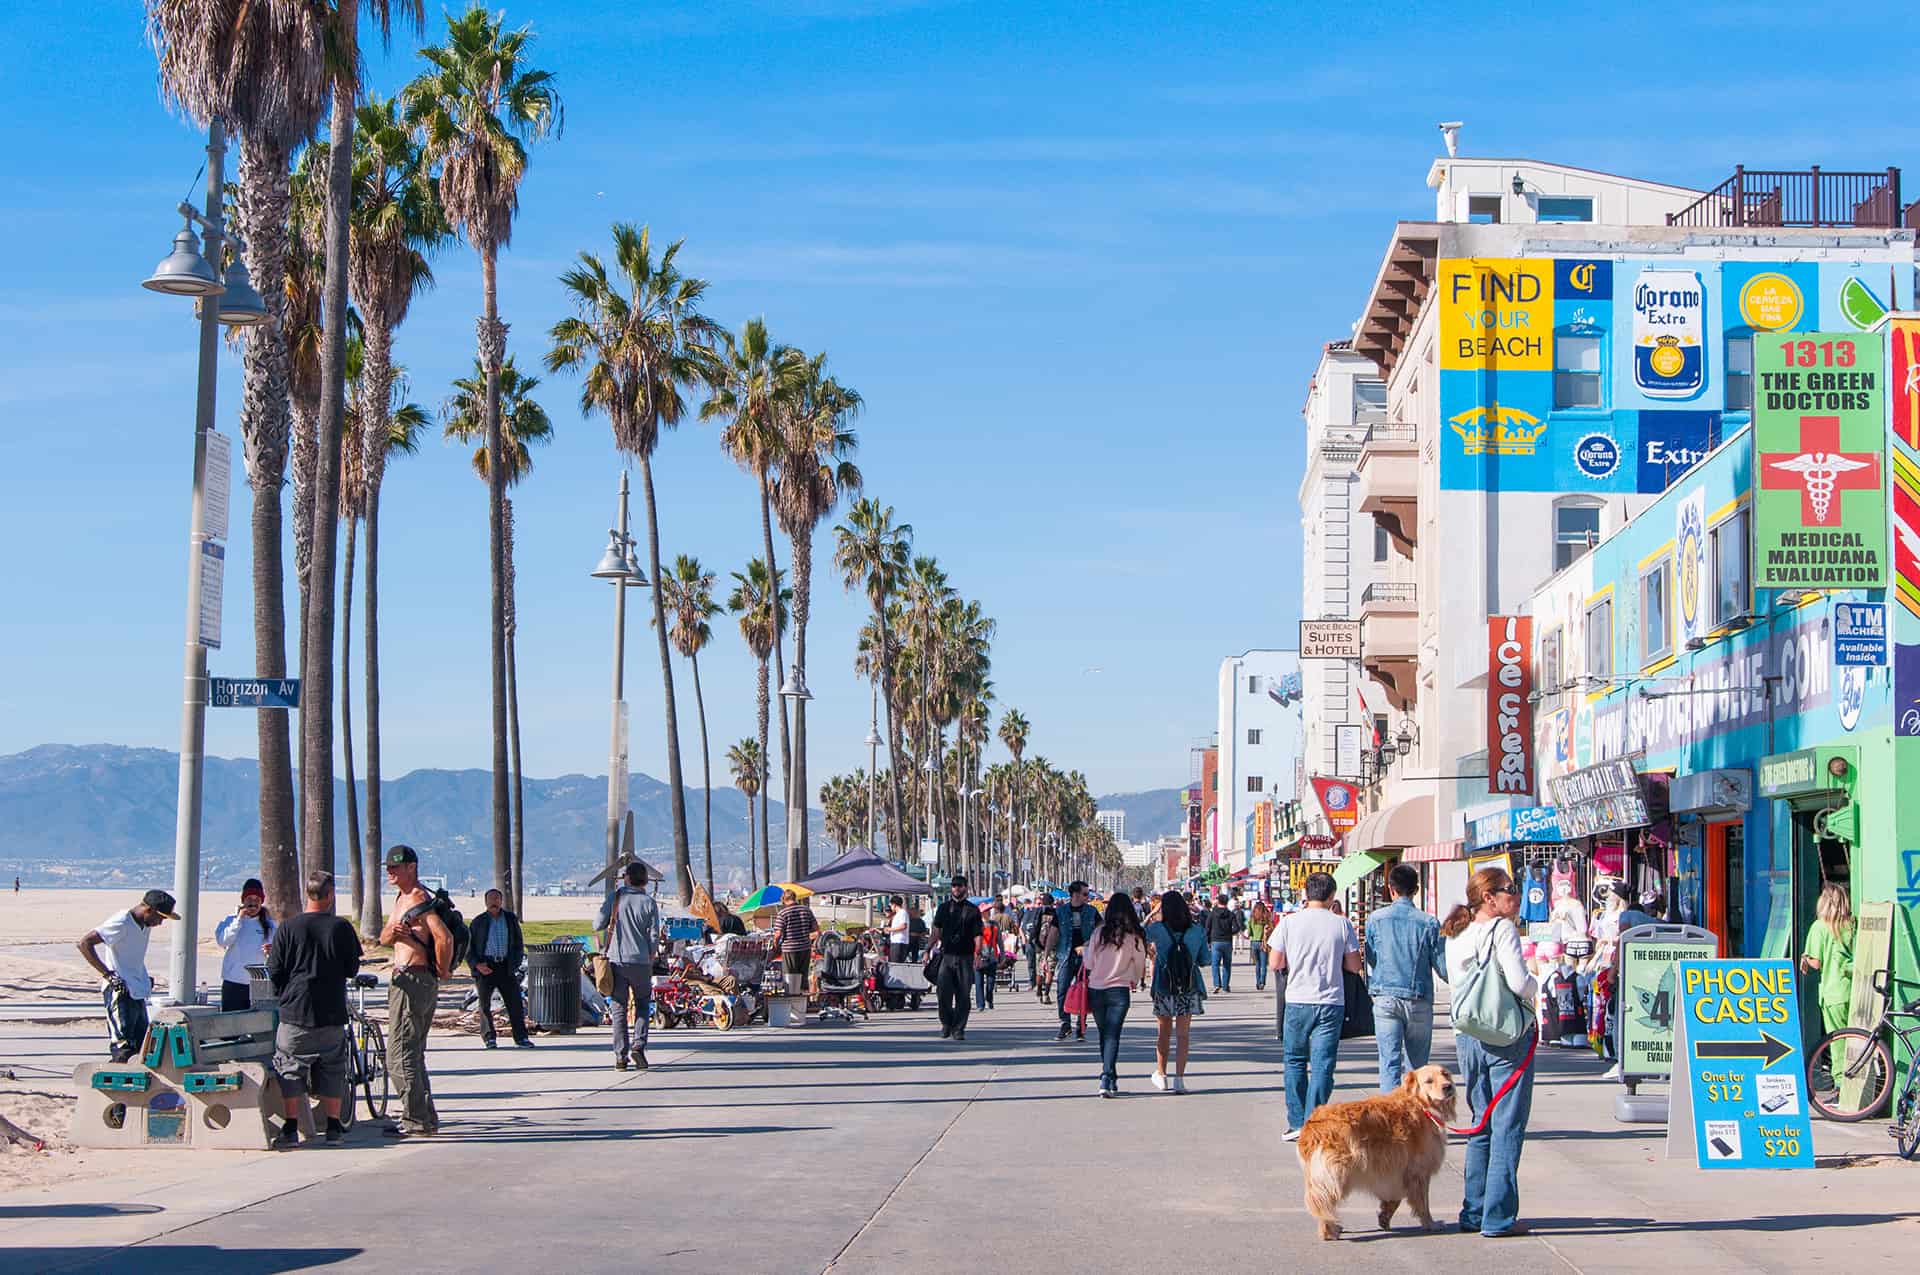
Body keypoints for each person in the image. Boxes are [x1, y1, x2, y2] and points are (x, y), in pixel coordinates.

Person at [1443, 866, 1537, 1238]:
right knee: (1507, 1124)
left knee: (1481, 1121)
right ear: (1489, 897)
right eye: (1509, 889)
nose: (1515, 895)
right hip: (1506, 1034)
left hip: (1468, 1032)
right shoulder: (1503, 930)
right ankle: (1498, 1216)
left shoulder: (1455, 929)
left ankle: (1474, 1210)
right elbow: (1518, 982)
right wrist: (1535, 985)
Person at [266, 871, 362, 1147]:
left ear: (307, 894)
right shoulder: (341, 928)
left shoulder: (288, 927)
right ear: (330, 895)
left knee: (290, 1067)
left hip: (295, 1010)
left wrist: (286, 991)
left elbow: (274, 969)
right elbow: (351, 968)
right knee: (333, 1067)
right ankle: (333, 1127)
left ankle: (291, 1126)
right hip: (331, 1009)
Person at [1269, 870, 1360, 1140]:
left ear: (1305, 895)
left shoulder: (1288, 923)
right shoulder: (1341, 924)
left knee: (1295, 1060)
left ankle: (1297, 1123)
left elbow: (1275, 963)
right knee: (1323, 1064)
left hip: (1297, 1000)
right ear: (1332, 896)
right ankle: (1315, 1121)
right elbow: (1354, 966)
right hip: (1331, 1002)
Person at [377, 846, 452, 1137]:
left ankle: (416, 1120)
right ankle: (424, 1117)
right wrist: (393, 933)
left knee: (399, 1053)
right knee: (412, 1052)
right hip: (404, 979)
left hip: (415, 980)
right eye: (388, 867)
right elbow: (383, 937)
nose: (391, 872)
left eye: (396, 867)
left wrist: (443, 970)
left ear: (412, 867)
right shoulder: (401, 898)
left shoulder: (420, 899)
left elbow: (443, 937)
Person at [1364, 863, 1448, 1091]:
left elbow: (1371, 957)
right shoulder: (1428, 922)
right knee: (1419, 1068)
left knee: (1389, 1062)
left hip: (1385, 997)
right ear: (1416, 889)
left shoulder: (1376, 919)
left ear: (1391, 889)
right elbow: (1441, 964)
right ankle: (1416, 1117)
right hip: (1418, 999)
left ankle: (1389, 1119)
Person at [78, 889, 177, 1063]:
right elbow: (84, 944)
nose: (160, 923)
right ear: (149, 910)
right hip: (120, 991)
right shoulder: (122, 921)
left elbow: (132, 955)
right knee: (123, 1047)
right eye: (160, 918)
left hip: (137, 990)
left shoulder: (145, 925)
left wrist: (144, 979)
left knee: (143, 1047)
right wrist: (108, 975)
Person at [1081, 892, 1148, 1096]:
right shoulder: (1133, 936)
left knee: (1105, 1034)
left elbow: (1089, 963)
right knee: (1112, 1034)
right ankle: (1108, 1076)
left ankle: (1108, 1075)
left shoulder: (1098, 933)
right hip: (1119, 989)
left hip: (1097, 988)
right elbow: (1139, 963)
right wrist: (1134, 981)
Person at [599, 862, 663, 1068]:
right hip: (641, 961)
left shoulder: (616, 898)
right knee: (643, 1004)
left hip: (617, 960)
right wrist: (650, 955)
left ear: (626, 877)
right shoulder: (649, 902)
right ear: (644, 880)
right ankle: (639, 1045)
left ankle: (620, 1055)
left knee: (619, 1008)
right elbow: (654, 934)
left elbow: (596, 924)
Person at [1145, 890, 1208, 1092]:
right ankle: (1179, 1079)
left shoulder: (1157, 929)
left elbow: (1139, 933)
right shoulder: (1197, 931)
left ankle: (1161, 1074)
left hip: (1164, 984)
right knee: (1183, 1034)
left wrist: (1150, 915)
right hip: (1189, 985)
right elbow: (1205, 960)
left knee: (1163, 1032)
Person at [469, 889, 533, 1050]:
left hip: (506, 967)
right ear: (485, 902)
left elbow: (518, 944)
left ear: (501, 900)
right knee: (484, 1005)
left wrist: (515, 964)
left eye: (497, 899)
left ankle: (521, 1038)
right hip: (486, 966)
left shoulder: (510, 919)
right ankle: (489, 1038)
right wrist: (477, 965)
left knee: (515, 1004)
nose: (494, 902)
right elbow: (468, 948)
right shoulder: (478, 922)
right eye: (490, 899)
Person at [931, 875, 984, 1040]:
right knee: (943, 993)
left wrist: (978, 954)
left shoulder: (973, 910)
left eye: (960, 886)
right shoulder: (944, 908)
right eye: (954, 886)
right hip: (946, 955)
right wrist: (928, 949)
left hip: (965, 957)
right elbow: (936, 931)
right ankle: (946, 1023)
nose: (956, 888)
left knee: (963, 994)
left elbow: (978, 935)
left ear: (965, 888)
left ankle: (959, 1028)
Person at [1800, 882, 1856, 1034]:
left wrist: (1805, 958)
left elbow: (1816, 963)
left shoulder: (1819, 927)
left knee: (1838, 1043)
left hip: (1833, 994)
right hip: (1854, 991)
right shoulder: (1851, 925)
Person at [214, 878, 275, 1011]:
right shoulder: (230, 920)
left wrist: (271, 951)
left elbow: (277, 953)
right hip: (233, 982)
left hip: (259, 984)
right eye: (249, 899)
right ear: (243, 900)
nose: (253, 904)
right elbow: (223, 941)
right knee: (231, 1024)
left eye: (257, 900)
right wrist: (239, 920)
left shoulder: (270, 925)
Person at [1053, 881, 1101, 1041]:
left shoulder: (1092, 911)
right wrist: (1046, 954)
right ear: (1075, 894)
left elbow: (1102, 931)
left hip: (1086, 956)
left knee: (1084, 991)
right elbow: (1054, 933)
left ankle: (1081, 1026)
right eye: (1085, 894)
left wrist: (1090, 944)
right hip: (1066, 955)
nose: (1088, 897)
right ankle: (1065, 1023)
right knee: (1062, 989)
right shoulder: (1060, 912)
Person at [772, 889, 820, 1008]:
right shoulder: (806, 910)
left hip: (790, 949)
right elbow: (815, 929)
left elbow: (778, 934)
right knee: (803, 976)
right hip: (805, 948)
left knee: (791, 977)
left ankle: (792, 1005)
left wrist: (775, 945)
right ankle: (804, 1004)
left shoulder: (783, 913)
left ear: (784, 899)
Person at [1204, 891, 1241, 993]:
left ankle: (1217, 984)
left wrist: (1208, 940)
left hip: (1215, 941)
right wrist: (1230, 932)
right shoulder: (1230, 914)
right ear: (1227, 902)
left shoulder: (1212, 914)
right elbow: (1237, 928)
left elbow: (1207, 928)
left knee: (1215, 964)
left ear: (1218, 901)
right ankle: (1225, 985)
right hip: (1227, 941)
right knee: (1227, 964)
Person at [975, 905, 1002, 1012]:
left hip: (992, 957)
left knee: (990, 983)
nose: (988, 913)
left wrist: (1003, 955)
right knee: (978, 982)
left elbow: (999, 941)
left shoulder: (995, 925)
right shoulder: (976, 925)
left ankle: (989, 999)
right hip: (978, 957)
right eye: (985, 911)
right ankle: (980, 1004)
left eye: (988, 911)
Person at [1247, 898, 1274, 993]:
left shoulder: (1252, 919)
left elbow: (1249, 932)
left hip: (1254, 942)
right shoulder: (1266, 919)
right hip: (1263, 942)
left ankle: (1258, 982)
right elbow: (1271, 929)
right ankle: (1262, 982)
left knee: (1257, 964)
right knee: (1264, 964)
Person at [887, 894, 911, 962]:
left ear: (894, 905)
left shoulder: (902, 912)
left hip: (899, 942)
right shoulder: (897, 914)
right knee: (893, 962)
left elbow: (903, 926)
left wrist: (890, 929)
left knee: (896, 963)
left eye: (891, 905)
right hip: (896, 942)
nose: (891, 907)